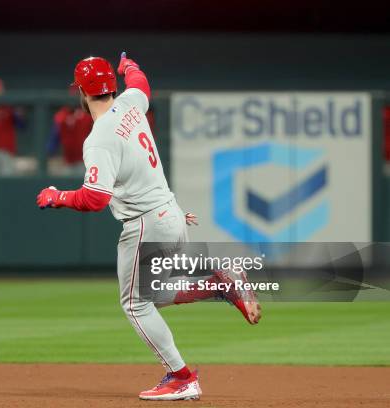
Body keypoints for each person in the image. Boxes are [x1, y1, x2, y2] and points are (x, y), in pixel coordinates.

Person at [36, 53, 261, 401]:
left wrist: (57, 195)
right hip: (170, 213)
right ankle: (218, 285)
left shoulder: (98, 139)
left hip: (146, 224)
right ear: (111, 85)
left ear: (80, 91)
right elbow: (141, 84)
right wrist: (130, 67)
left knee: (135, 304)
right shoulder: (129, 103)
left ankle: (181, 376)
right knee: (150, 296)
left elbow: (95, 198)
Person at [46, 99, 93, 176]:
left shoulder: (87, 115)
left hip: (85, 161)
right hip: (68, 162)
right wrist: (50, 152)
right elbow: (54, 138)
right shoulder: (61, 116)